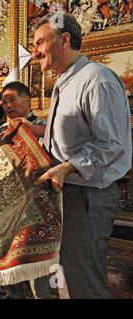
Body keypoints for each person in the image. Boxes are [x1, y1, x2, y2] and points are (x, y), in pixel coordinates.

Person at [32, 12, 132, 298]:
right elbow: (71, 137)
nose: (35, 50)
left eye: (40, 42)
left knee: (83, 282)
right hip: (67, 194)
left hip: (87, 196)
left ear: (64, 40)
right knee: (63, 279)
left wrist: (68, 167)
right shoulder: (67, 81)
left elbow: (111, 144)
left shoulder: (97, 80)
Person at [0, 81, 50, 299]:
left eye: (13, 99)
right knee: (10, 261)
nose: (8, 105)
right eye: (4, 101)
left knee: (33, 266)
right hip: (5, 205)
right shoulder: (2, 128)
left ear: (28, 100)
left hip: (33, 204)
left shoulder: (40, 126)